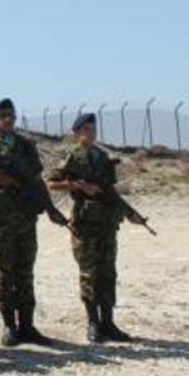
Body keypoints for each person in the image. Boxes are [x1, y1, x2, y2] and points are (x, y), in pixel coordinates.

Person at [0, 97, 53, 347]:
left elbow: (37, 180)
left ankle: (27, 325)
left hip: (26, 216)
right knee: (5, 272)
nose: (8, 120)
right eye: (3, 116)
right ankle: (9, 326)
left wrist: (50, 208)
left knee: (25, 272)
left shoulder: (26, 146)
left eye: (12, 116)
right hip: (2, 218)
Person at [47, 112, 138, 343]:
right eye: (86, 129)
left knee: (107, 273)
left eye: (93, 128)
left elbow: (111, 191)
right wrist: (77, 184)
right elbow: (51, 183)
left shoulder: (103, 157)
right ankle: (93, 323)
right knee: (89, 274)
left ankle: (108, 323)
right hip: (85, 224)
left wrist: (129, 212)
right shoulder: (72, 157)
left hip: (107, 222)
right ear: (77, 133)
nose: (91, 132)